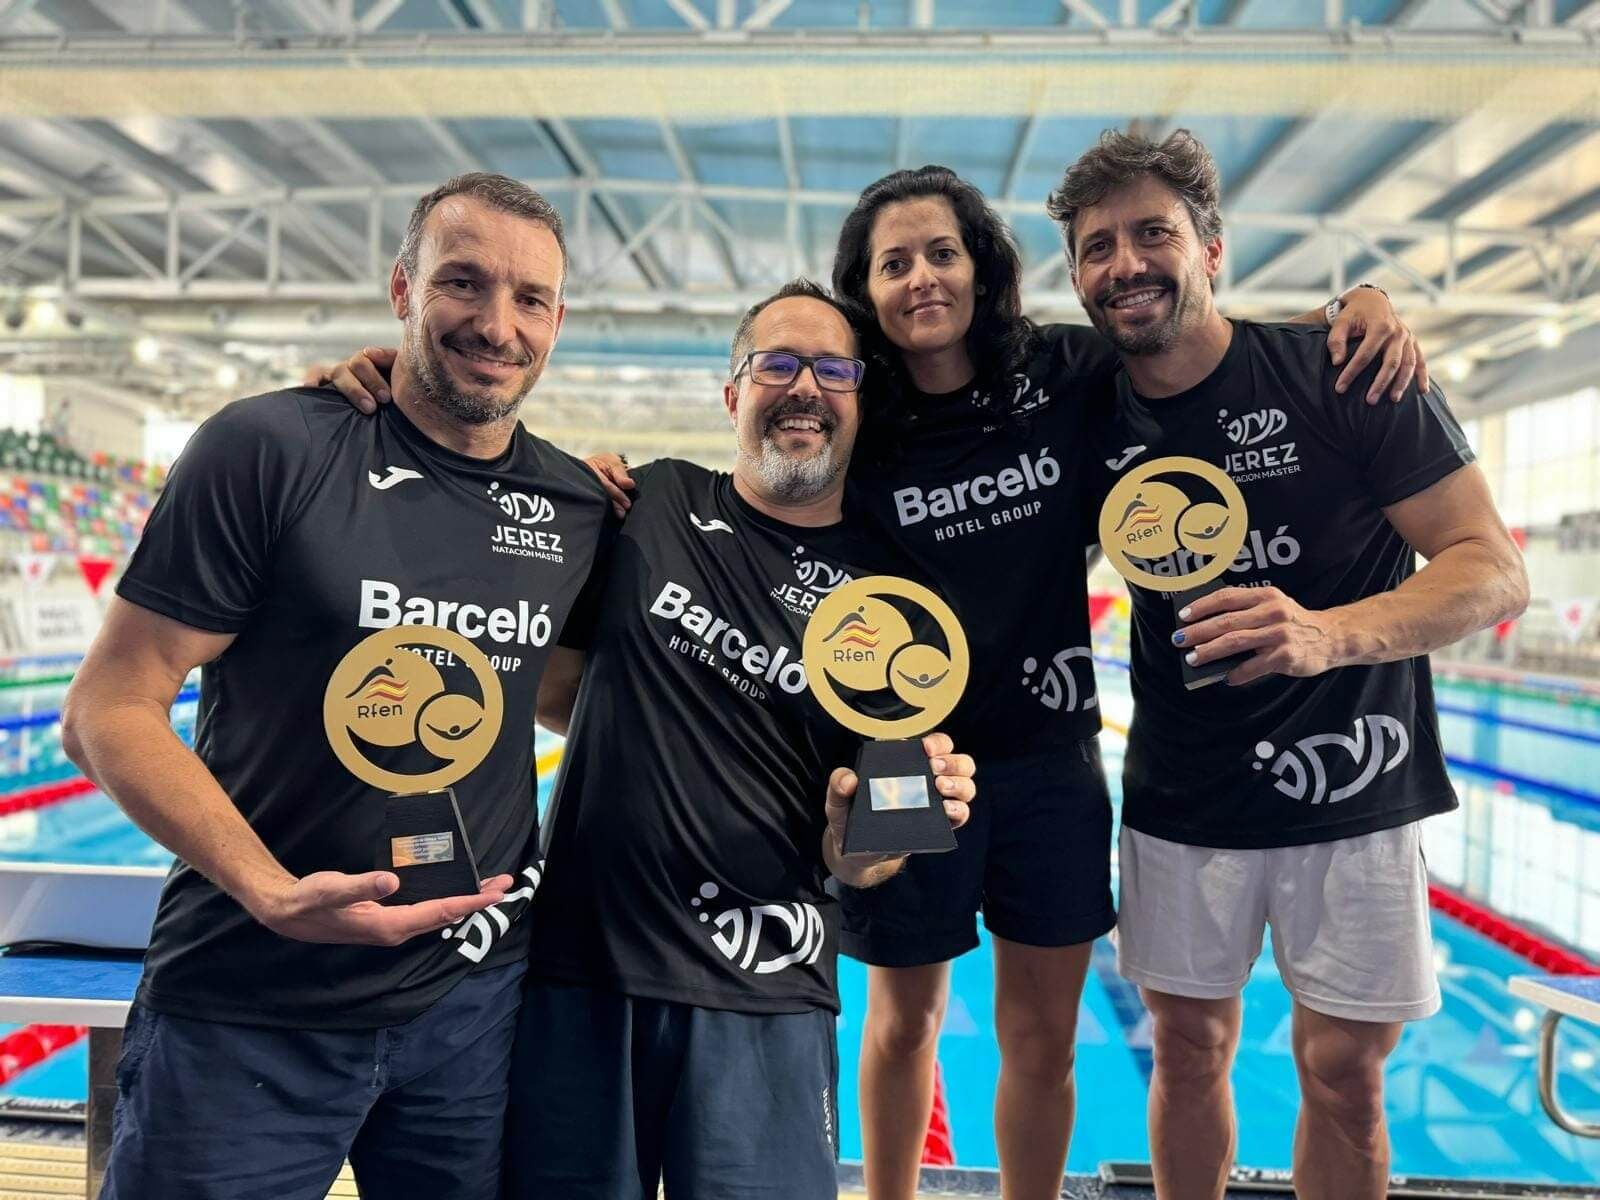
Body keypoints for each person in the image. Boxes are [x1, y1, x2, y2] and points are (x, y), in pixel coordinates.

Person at [319, 164, 1426, 1200]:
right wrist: (383, 379)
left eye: (940, 254)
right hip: (892, 749)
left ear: (980, 267)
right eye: (892, 264)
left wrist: (1355, 303)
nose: (919, 279)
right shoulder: (835, 429)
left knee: (1041, 1032)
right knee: (902, 1024)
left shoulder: (1064, 374)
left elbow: (1189, 346)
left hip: (1043, 757)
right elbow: (532, 535)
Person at [313, 277, 977, 1199]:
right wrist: (380, 399)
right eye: (776, 363)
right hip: (584, 979)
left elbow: (861, 862)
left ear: (859, 398)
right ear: (733, 393)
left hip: (767, 991)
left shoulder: (888, 598)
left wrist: (865, 837)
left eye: (833, 369)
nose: (804, 388)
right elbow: (522, 627)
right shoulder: (645, 504)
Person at [60, 172, 614, 1200]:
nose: (496, 324)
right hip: (248, 1006)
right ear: (402, 289)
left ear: (557, 320)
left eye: (529, 298)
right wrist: (268, 890)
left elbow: (562, 696)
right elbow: (106, 709)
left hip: (471, 1009)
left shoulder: (577, 507)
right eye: (463, 283)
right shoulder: (269, 448)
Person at [1048, 129, 1528, 1200]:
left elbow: (1492, 571)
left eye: (1151, 234)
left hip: (1355, 782)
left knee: (1346, 1077)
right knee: (1185, 1053)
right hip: (1184, 791)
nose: (1124, 263)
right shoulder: (1089, 411)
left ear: (1211, 249)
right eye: (1095, 247)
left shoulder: (1345, 371)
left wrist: (1329, 632)